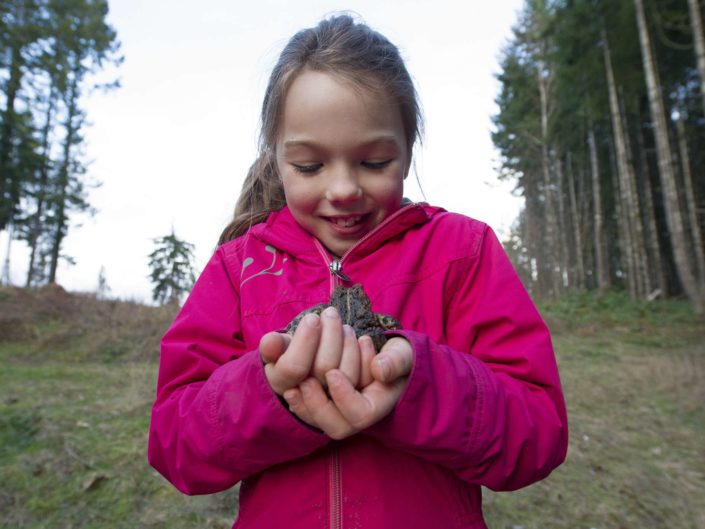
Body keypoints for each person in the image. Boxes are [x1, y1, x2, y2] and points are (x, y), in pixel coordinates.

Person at [148, 14, 568, 529]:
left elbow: (540, 434)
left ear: (408, 150)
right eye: (309, 166)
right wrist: (271, 394)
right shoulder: (240, 267)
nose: (344, 188)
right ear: (276, 158)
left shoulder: (463, 250)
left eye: (373, 162)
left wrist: (421, 385)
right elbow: (172, 443)